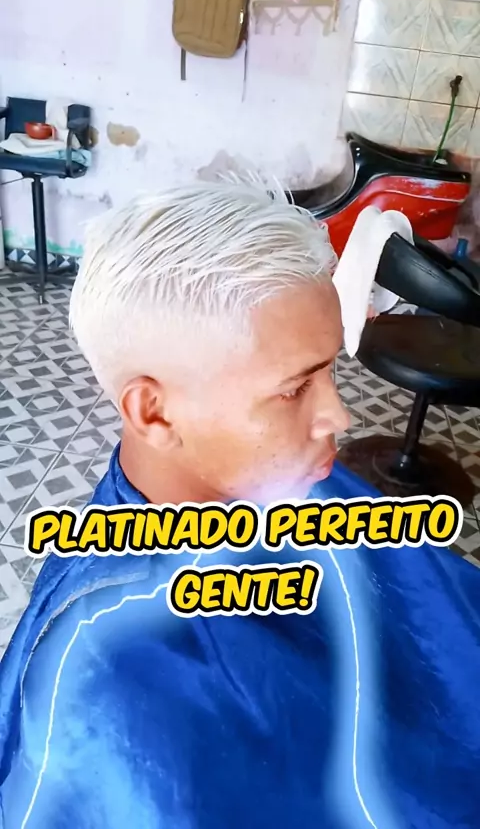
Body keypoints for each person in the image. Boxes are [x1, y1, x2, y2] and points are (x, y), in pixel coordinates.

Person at [0, 182, 479, 829]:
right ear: (155, 412)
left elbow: (435, 608)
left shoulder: (291, 476)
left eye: (330, 372)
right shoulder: (108, 691)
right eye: (294, 389)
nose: (338, 416)